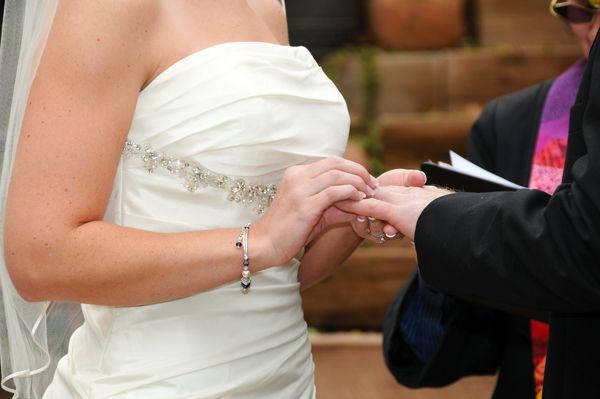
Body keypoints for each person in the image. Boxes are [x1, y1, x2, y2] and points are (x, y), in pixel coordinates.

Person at [0, 1, 393, 398]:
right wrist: (256, 241)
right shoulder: (106, 9)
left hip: (286, 378)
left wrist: (355, 215)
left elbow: (273, 277)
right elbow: (39, 258)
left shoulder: (267, 7)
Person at [337, 1, 600, 396]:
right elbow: (419, 355)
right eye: (579, 11)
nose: (592, 26)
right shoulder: (510, 125)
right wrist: (442, 240)